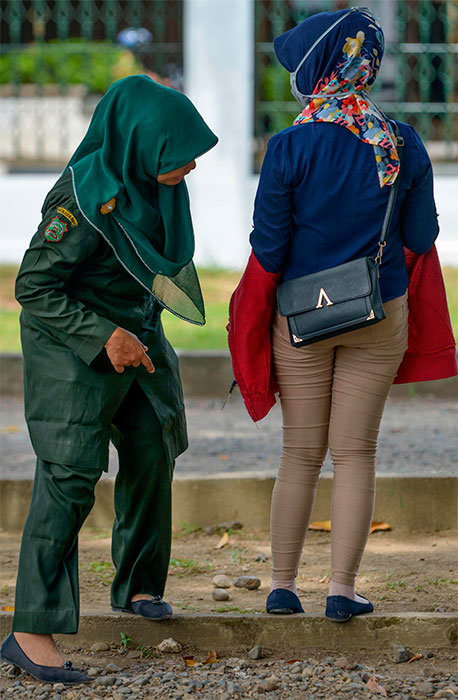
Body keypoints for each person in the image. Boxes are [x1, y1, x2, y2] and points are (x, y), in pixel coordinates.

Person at [227, 7, 456, 622]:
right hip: (378, 311)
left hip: (303, 318)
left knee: (300, 453)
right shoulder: (402, 143)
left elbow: (269, 248)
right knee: (356, 452)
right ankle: (341, 590)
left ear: (318, 67)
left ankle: (281, 586)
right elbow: (421, 233)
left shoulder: (288, 146)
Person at [0, 75, 218, 683]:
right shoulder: (80, 200)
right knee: (69, 478)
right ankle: (29, 631)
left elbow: (151, 270)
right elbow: (33, 288)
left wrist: (134, 336)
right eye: (178, 152)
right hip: (71, 346)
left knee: (152, 448)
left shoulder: (155, 182)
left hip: (137, 339)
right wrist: (103, 338)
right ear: (140, 143)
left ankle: (139, 588)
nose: (192, 164)